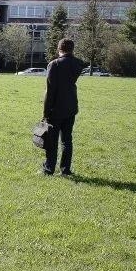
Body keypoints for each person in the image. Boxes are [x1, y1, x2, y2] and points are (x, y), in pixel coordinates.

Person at [40, 38, 85, 176]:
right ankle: (65, 170)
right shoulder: (78, 63)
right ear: (72, 49)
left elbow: (50, 90)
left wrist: (45, 112)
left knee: (52, 142)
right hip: (71, 107)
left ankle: (48, 169)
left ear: (59, 48)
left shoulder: (54, 64)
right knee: (67, 140)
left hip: (56, 109)